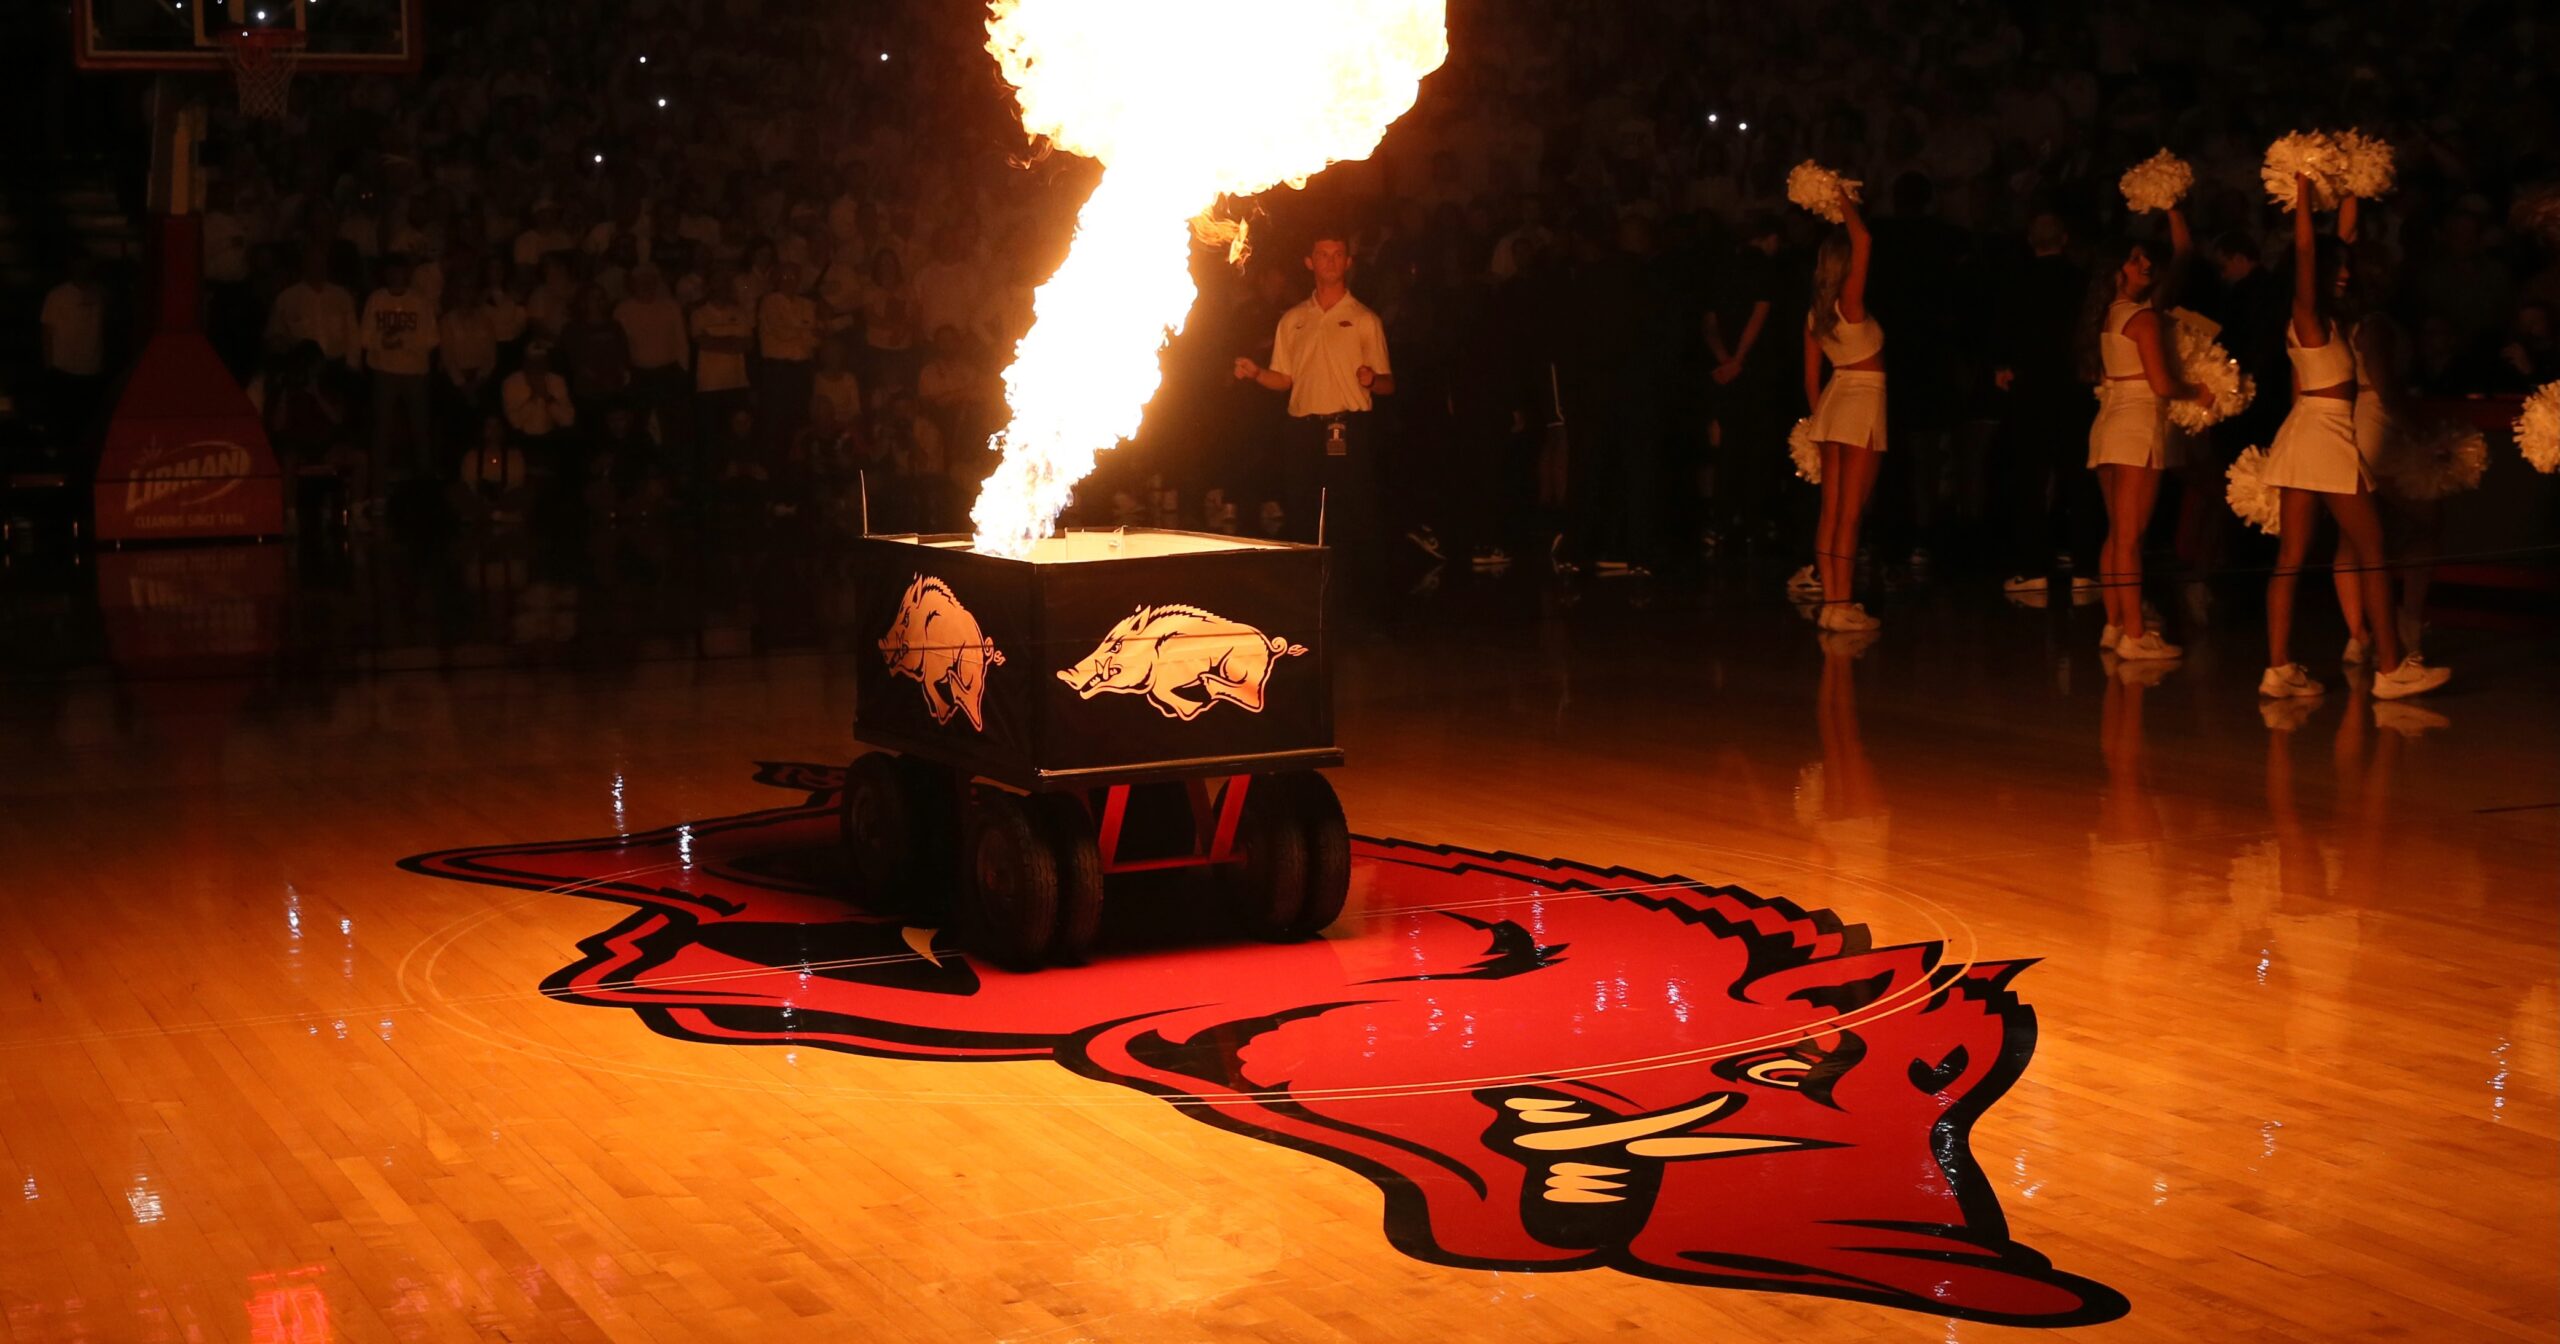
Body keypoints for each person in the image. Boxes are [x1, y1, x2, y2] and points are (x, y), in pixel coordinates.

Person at [2259, 181, 2448, 703]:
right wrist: (2300, 189)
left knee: (2293, 557)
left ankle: (2277, 669)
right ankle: (2390, 669)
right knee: (2372, 550)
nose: (2346, 273)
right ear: (2314, 273)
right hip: (2324, 435)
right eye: (2336, 267)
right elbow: (2306, 248)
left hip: (2307, 434)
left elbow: (2340, 238)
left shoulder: (2332, 322)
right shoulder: (2308, 314)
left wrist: (2349, 190)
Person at [1232, 233, 1395, 614]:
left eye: (1338, 254)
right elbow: (1284, 379)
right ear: (1310, 262)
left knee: (1356, 514)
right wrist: (1257, 373)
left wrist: (1373, 380)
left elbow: (1389, 383)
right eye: (1323, 254)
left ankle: (1367, 605)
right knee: (1303, 513)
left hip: (1347, 427)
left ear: (1348, 262)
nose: (1331, 261)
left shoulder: (1364, 319)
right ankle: (1306, 603)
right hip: (1302, 428)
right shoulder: (1293, 320)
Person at [2081, 209, 2211, 662]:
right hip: (2136, 425)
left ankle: (2116, 625)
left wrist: (2174, 208)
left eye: (2146, 260)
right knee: (2130, 536)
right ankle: (2136, 634)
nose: (2144, 266)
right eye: (2134, 260)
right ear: (2116, 267)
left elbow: (2183, 258)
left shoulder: (2108, 315)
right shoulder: (2143, 320)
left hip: (2110, 423)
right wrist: (2200, 391)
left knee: (2118, 533)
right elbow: (2162, 384)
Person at [1992, 212, 2099, 599]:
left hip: (2031, 388)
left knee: (2030, 479)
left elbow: (2003, 329)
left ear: (2029, 240)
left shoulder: (2016, 281)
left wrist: (2004, 366)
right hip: (2075, 387)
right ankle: (2086, 568)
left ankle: (2034, 567)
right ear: (2066, 238)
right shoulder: (2082, 282)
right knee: (2080, 477)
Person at [1801, 200, 1884, 632]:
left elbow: (1811, 382)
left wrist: (1818, 425)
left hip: (1834, 403)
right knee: (1849, 514)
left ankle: (1835, 603)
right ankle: (1842, 603)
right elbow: (1865, 238)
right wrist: (1843, 201)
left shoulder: (1816, 313)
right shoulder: (1849, 303)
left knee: (1830, 513)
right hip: (1862, 402)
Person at [358, 256, 439, 510]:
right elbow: (365, 338)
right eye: (391, 271)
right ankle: (379, 493)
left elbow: (431, 339)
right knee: (381, 432)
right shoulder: (376, 300)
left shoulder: (419, 301)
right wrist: (387, 342)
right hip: (384, 371)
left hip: (415, 372)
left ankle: (424, 492)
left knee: (420, 430)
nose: (396, 276)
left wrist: (405, 342)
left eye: (400, 271)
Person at [37, 256, 109, 446]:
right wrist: (49, 365)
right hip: (64, 368)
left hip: (91, 369)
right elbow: (47, 330)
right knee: (66, 422)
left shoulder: (101, 293)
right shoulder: (57, 296)